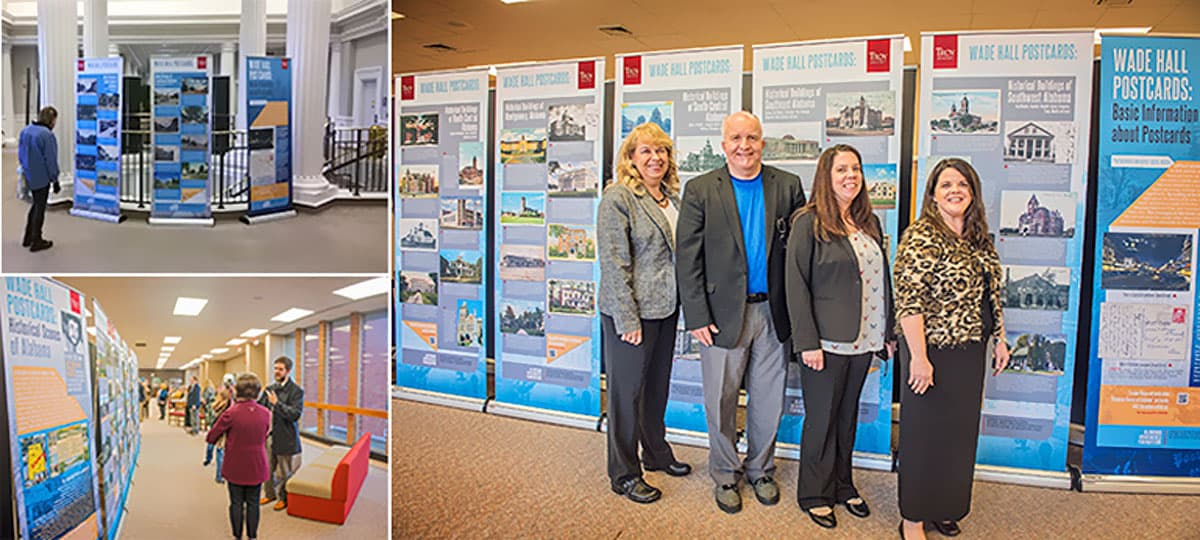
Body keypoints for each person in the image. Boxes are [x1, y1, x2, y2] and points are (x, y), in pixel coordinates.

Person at [676, 111, 806, 514]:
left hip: (773, 313)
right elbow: (687, 258)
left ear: (762, 143)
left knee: (769, 399)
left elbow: (802, 254)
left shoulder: (787, 186)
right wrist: (696, 315)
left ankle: (761, 469)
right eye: (736, 138)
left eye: (751, 137)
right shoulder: (700, 189)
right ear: (723, 144)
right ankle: (725, 473)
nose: (744, 145)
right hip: (719, 314)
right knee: (721, 400)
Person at [894, 158, 1010, 540]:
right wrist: (920, 359)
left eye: (962, 184)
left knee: (958, 438)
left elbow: (993, 293)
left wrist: (1002, 339)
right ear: (933, 194)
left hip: (970, 353)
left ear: (972, 192)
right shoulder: (920, 237)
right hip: (930, 352)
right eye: (946, 185)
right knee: (923, 437)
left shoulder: (980, 239)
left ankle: (943, 507)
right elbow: (909, 301)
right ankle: (912, 518)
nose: (955, 190)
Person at [784, 145, 895, 528]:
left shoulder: (870, 222)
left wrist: (887, 331)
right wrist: (807, 343)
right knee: (822, 419)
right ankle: (814, 493)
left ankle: (843, 485)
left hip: (864, 338)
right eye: (842, 169)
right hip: (825, 344)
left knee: (847, 416)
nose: (851, 175)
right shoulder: (807, 222)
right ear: (826, 177)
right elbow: (795, 287)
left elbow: (883, 280)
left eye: (856, 169)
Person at [598, 122, 691, 505]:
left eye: (662, 151)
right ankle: (623, 473)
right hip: (630, 313)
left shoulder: (673, 199)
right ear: (631, 158)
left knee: (656, 388)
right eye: (646, 151)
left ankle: (655, 452)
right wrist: (628, 320)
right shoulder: (618, 198)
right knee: (626, 393)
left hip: (665, 310)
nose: (656, 158)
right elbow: (614, 264)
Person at [207, 373, 271, 540]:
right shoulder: (266, 413)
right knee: (253, 503)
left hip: (235, 464)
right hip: (257, 464)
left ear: (236, 391)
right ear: (258, 393)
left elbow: (211, 436)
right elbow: (265, 434)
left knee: (236, 503)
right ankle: (252, 536)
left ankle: (237, 536)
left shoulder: (231, 413)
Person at [259, 356, 304, 511]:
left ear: (288, 371)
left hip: (285, 437)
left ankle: (283, 498)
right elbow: (260, 408)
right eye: (275, 368)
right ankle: (270, 494)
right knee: (267, 468)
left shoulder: (296, 391)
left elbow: (294, 414)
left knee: (285, 471)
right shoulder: (270, 388)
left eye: (280, 369)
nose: (276, 372)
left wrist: (276, 404)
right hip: (269, 436)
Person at [17, 106, 61, 252]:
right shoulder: (47, 135)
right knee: (39, 208)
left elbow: (21, 154)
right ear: (52, 119)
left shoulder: (26, 130)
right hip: (42, 177)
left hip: (29, 174)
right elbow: (50, 160)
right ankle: (37, 240)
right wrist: (55, 180)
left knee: (35, 205)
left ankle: (27, 237)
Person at [205, 375, 235, 484]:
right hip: (223, 429)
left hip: (219, 428)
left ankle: (219, 475)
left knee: (219, 451)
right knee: (221, 452)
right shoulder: (227, 404)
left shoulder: (218, 403)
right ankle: (220, 475)